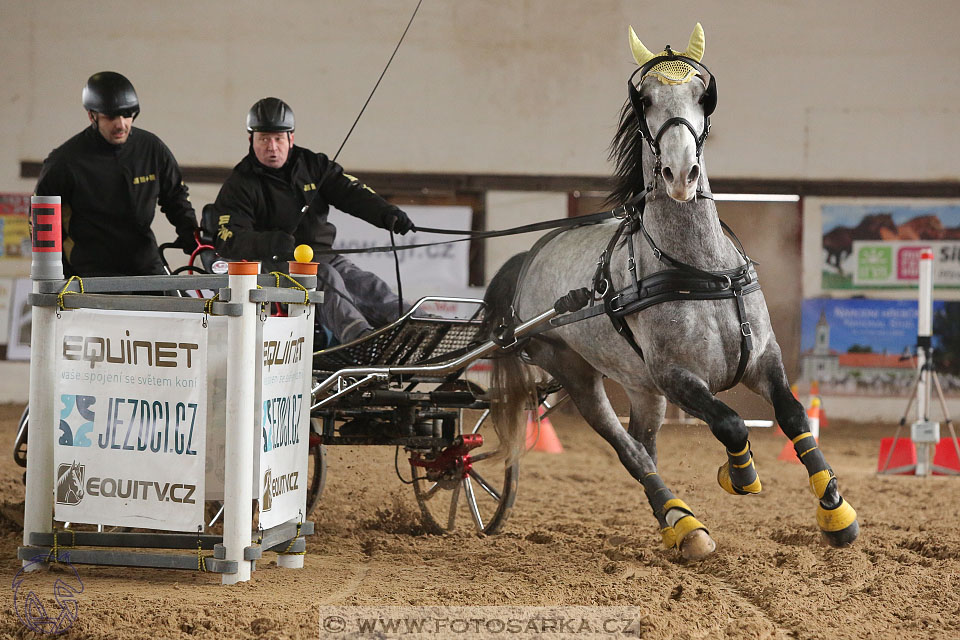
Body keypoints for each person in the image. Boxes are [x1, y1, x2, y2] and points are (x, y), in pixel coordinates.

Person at [211, 97, 416, 343]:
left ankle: (418, 326)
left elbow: (351, 193)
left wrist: (386, 214)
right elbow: (227, 238)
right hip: (274, 266)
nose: (272, 147)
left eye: (278, 138)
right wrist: (270, 242)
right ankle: (360, 340)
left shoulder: (314, 165)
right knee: (325, 278)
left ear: (291, 138)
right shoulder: (239, 184)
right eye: (263, 138)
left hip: (322, 255)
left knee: (367, 284)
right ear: (251, 140)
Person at [34, 71, 199, 277]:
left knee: (177, 307)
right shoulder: (64, 162)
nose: (121, 124)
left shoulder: (152, 148)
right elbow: (41, 224)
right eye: (111, 117)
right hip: (88, 271)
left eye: (128, 114)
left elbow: (176, 197)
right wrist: (57, 277)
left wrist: (192, 237)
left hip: (143, 263)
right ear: (91, 115)